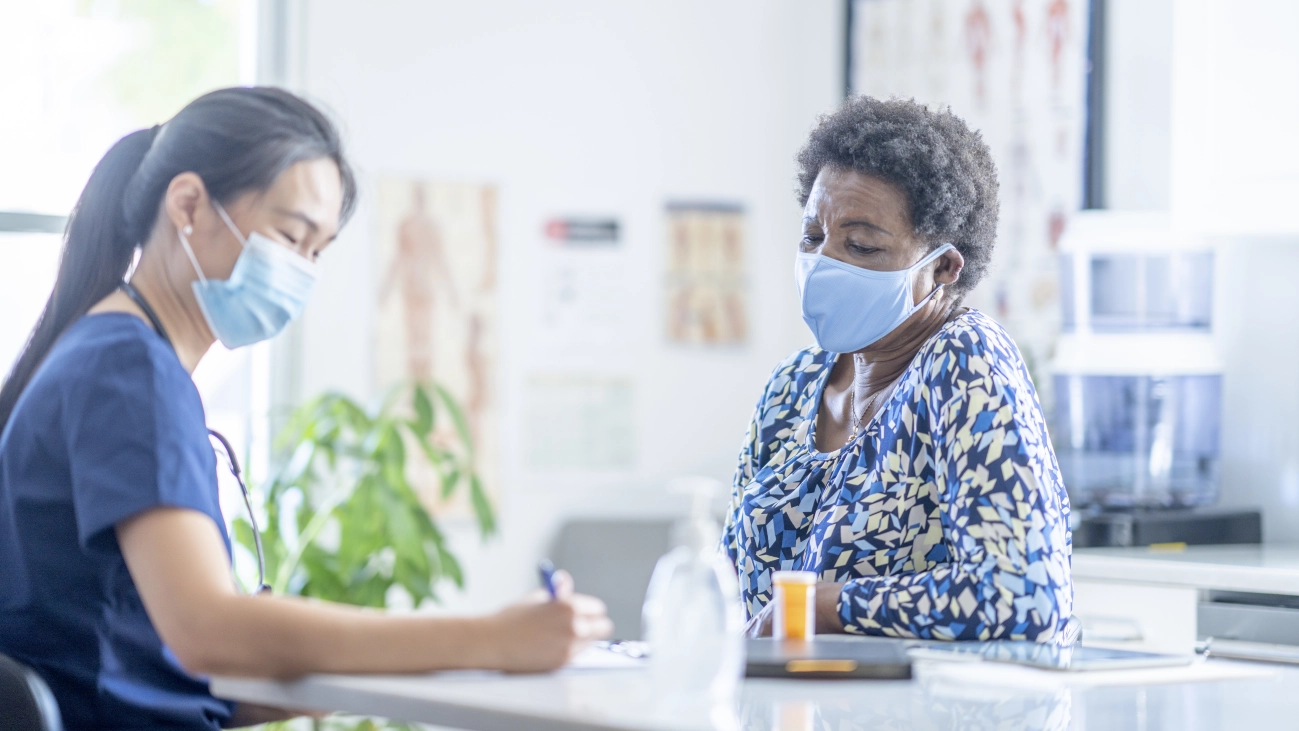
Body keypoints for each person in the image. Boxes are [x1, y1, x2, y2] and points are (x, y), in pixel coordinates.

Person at [0, 87, 611, 729]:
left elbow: (122, 651)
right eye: (291, 236)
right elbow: (208, 630)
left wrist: (311, 670)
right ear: (188, 205)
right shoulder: (127, 370)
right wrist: (493, 639)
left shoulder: (116, 356)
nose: (301, 270)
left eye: (317, 251)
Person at [724, 96, 1072, 643]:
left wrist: (826, 608)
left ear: (943, 267)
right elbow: (727, 591)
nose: (823, 263)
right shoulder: (792, 385)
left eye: (862, 245)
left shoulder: (965, 362)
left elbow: (1025, 595)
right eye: (812, 237)